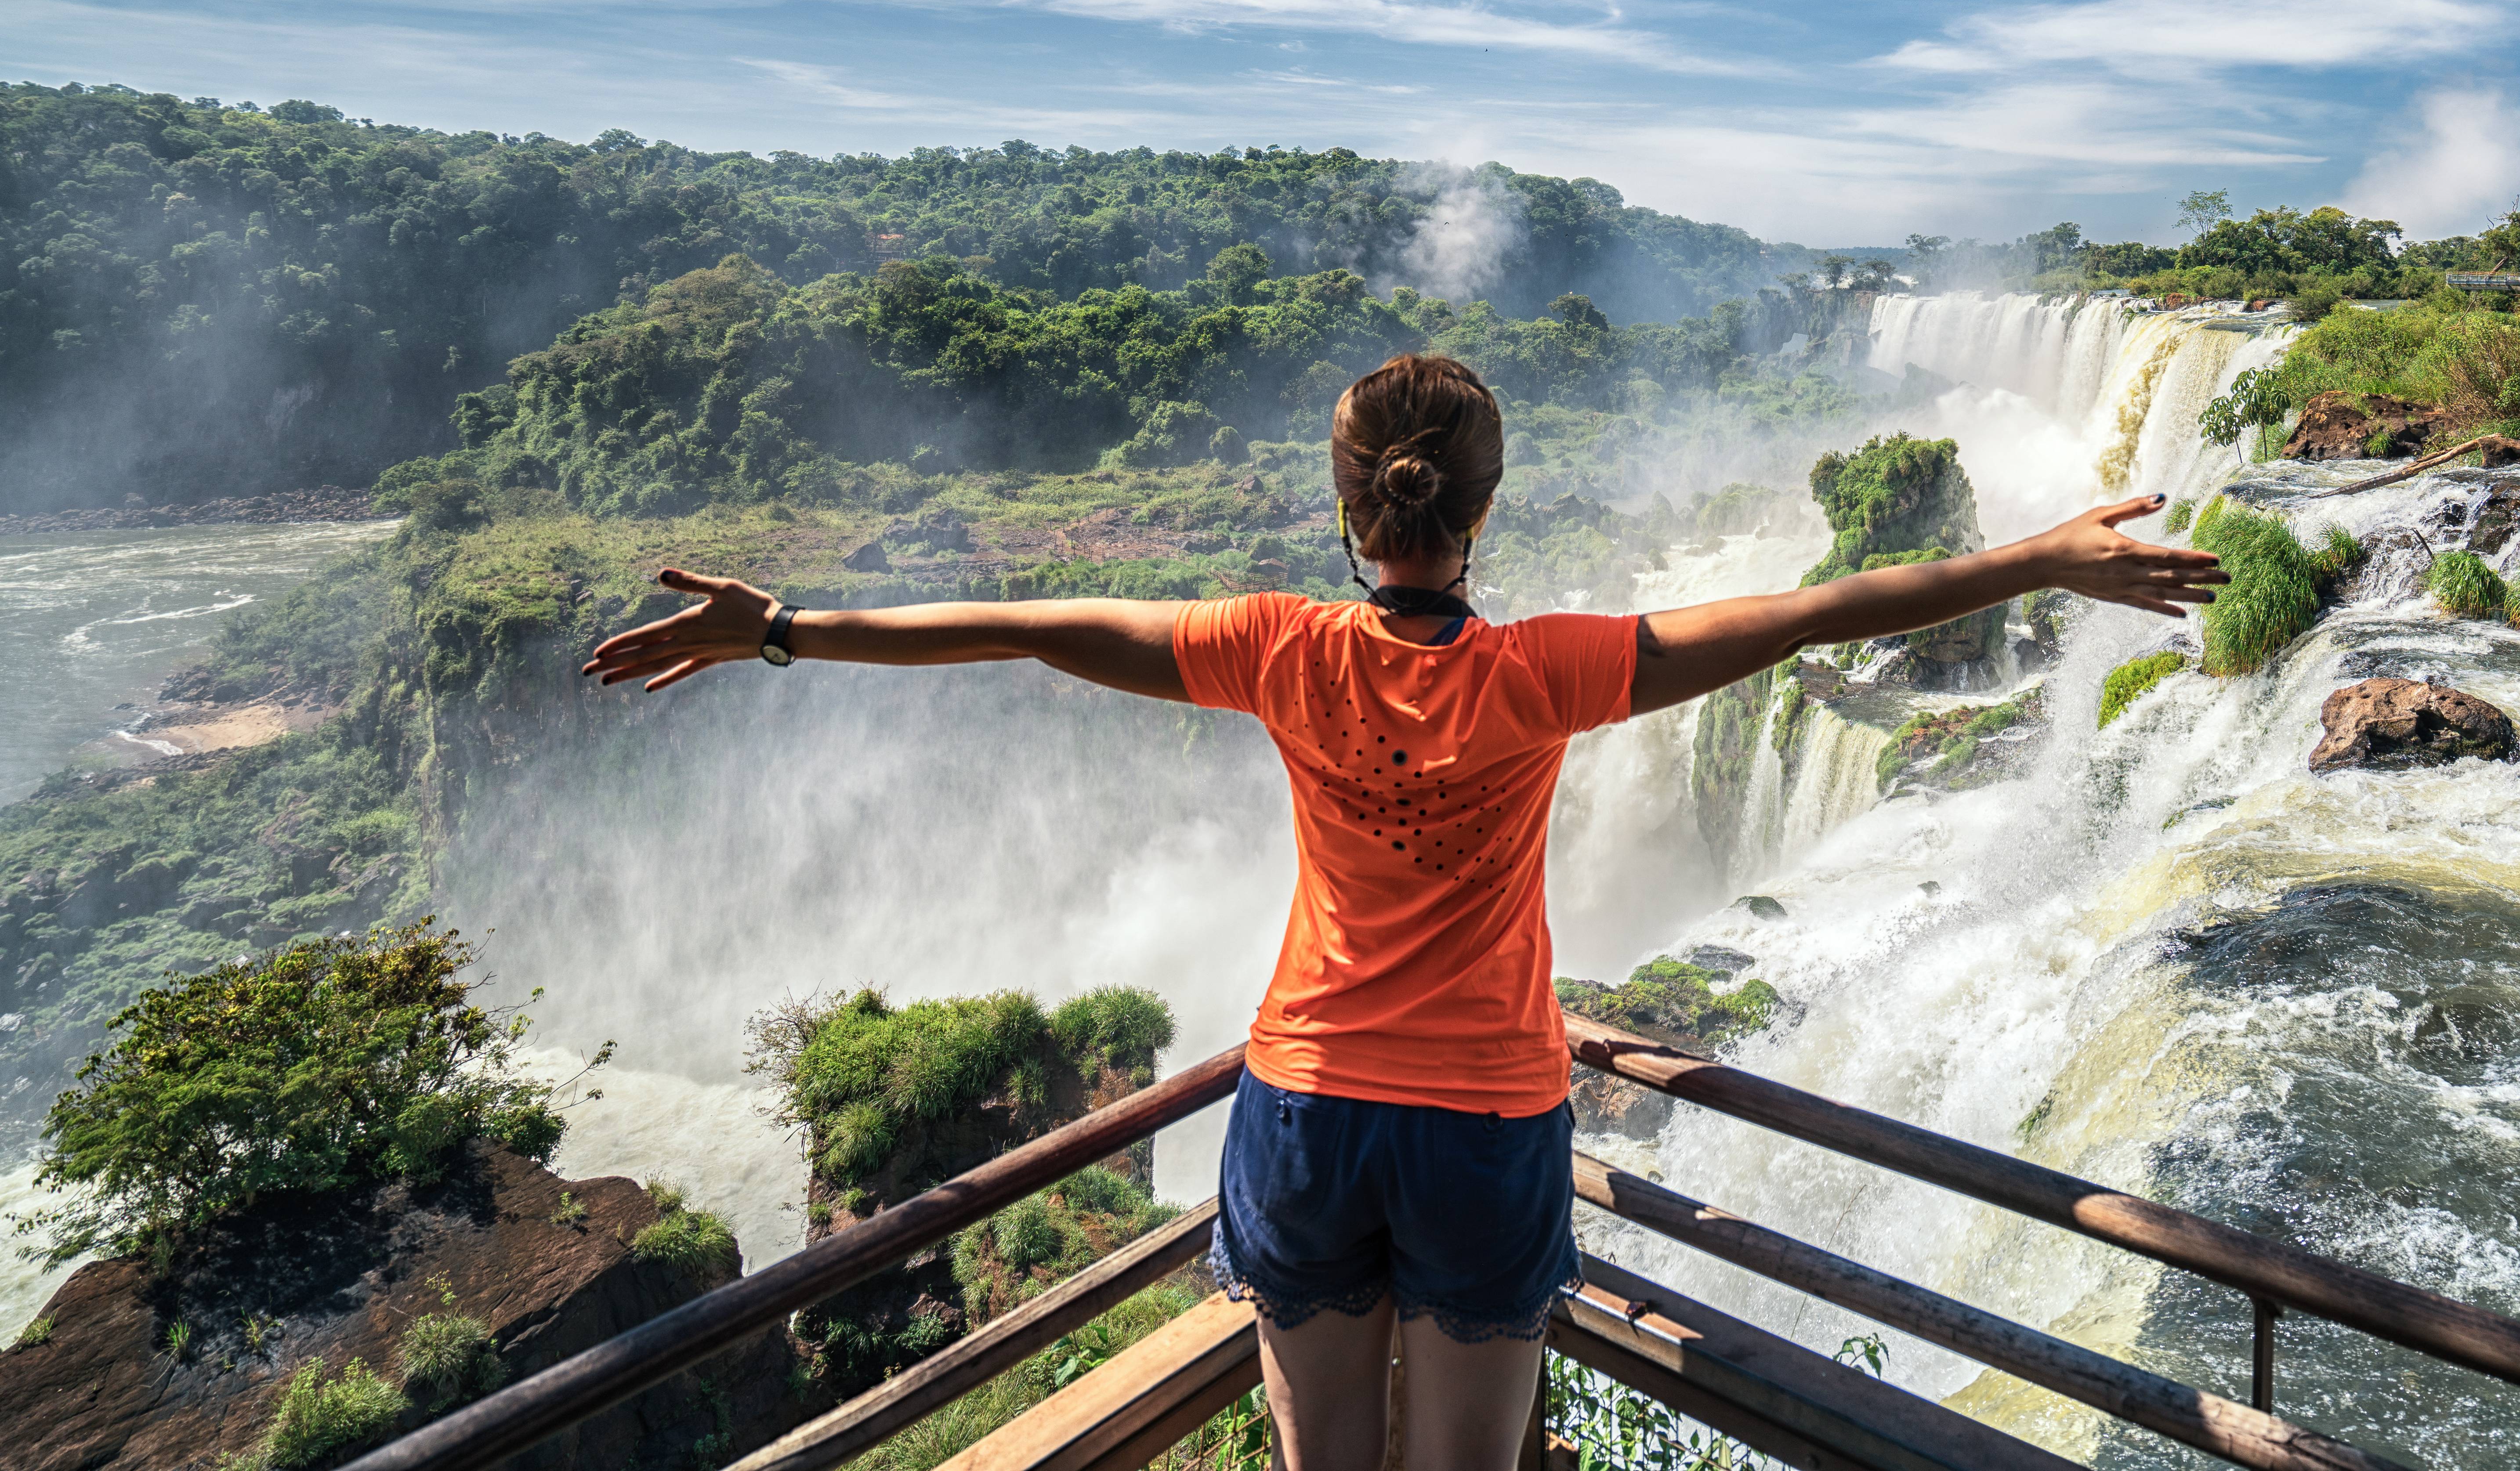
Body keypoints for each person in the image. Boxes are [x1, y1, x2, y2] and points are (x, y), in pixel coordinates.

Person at [580, 351, 2223, 1471]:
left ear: (1349, 511)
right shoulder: (1549, 670)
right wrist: (2033, 566)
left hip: (1298, 1106)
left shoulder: (1278, 649)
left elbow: (1024, 628)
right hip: (1485, 1118)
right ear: (1480, 511)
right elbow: (1808, 617)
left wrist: (785, 629)